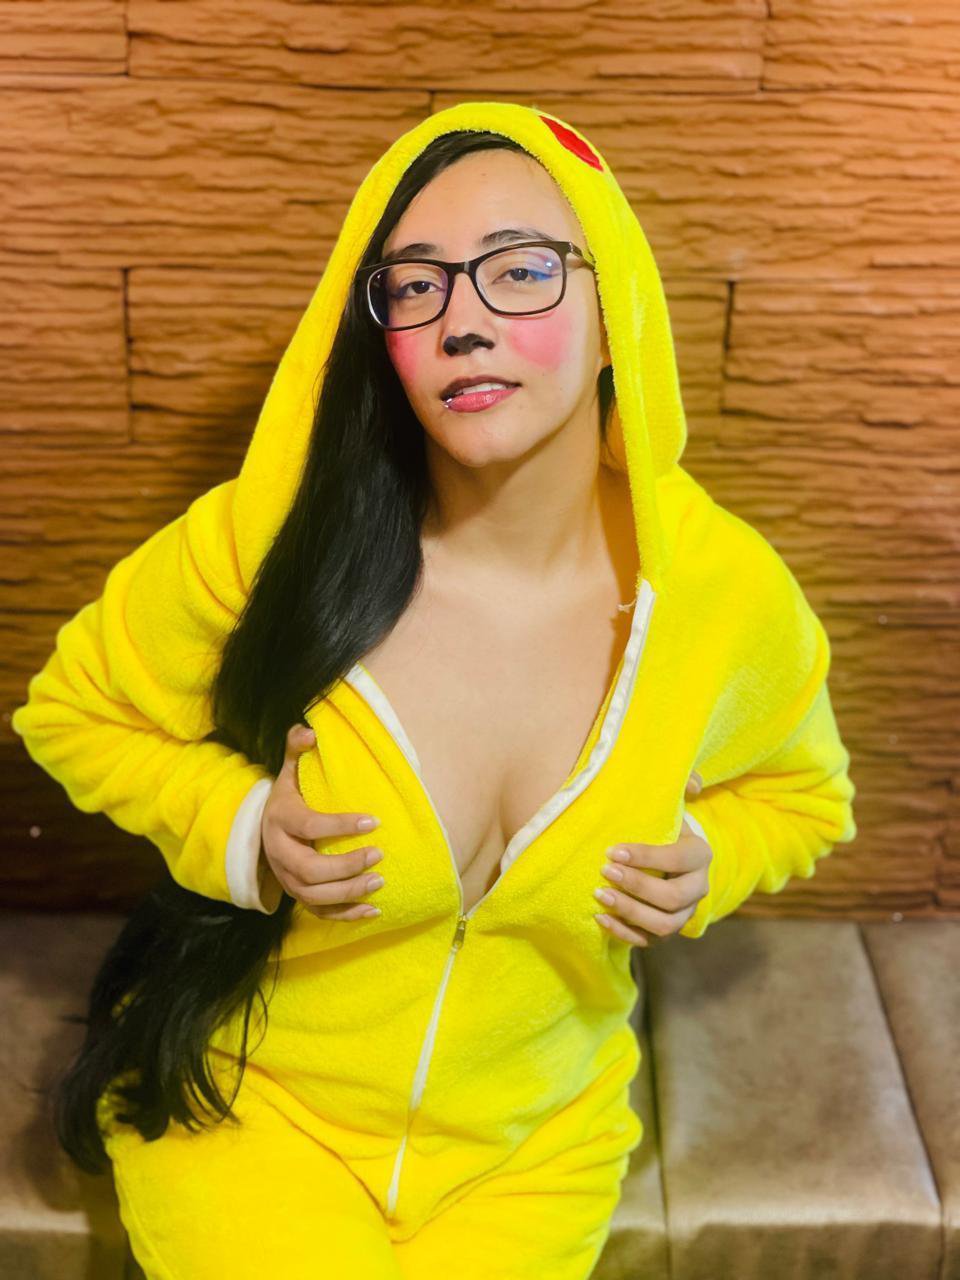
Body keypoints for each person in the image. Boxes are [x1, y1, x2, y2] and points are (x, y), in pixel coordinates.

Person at [11, 101, 857, 1279]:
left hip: (533, 1146)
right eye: (415, 286)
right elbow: (70, 708)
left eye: (521, 270)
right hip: (258, 1112)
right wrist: (240, 826)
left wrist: (714, 854)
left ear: (616, 313)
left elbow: (806, 798)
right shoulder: (274, 542)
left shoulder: (723, 596)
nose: (462, 321)